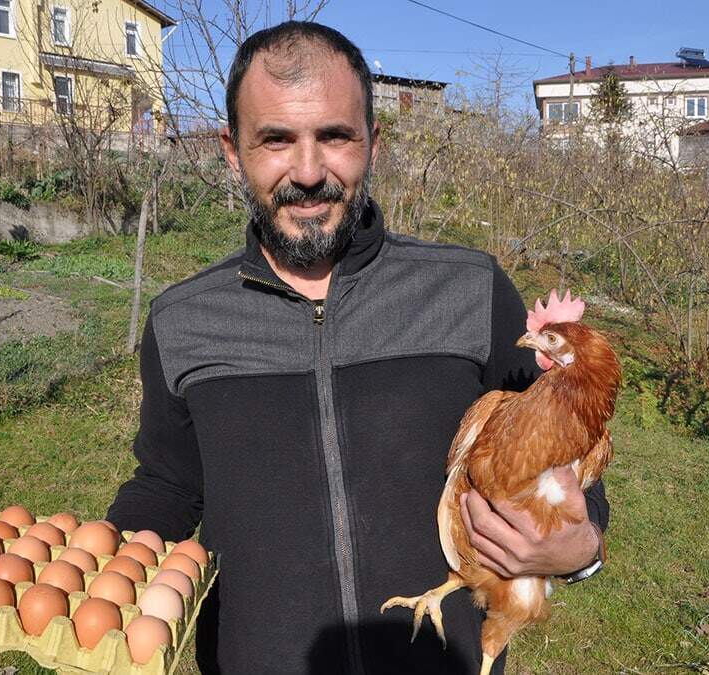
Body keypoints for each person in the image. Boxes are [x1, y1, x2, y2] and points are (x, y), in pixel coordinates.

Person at [106, 21, 609, 675]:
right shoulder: (183, 321)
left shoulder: (468, 290)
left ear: (372, 141)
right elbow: (169, 482)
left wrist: (579, 547)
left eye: (335, 136)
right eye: (277, 139)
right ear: (233, 150)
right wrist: (101, 569)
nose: (309, 172)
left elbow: (570, 464)